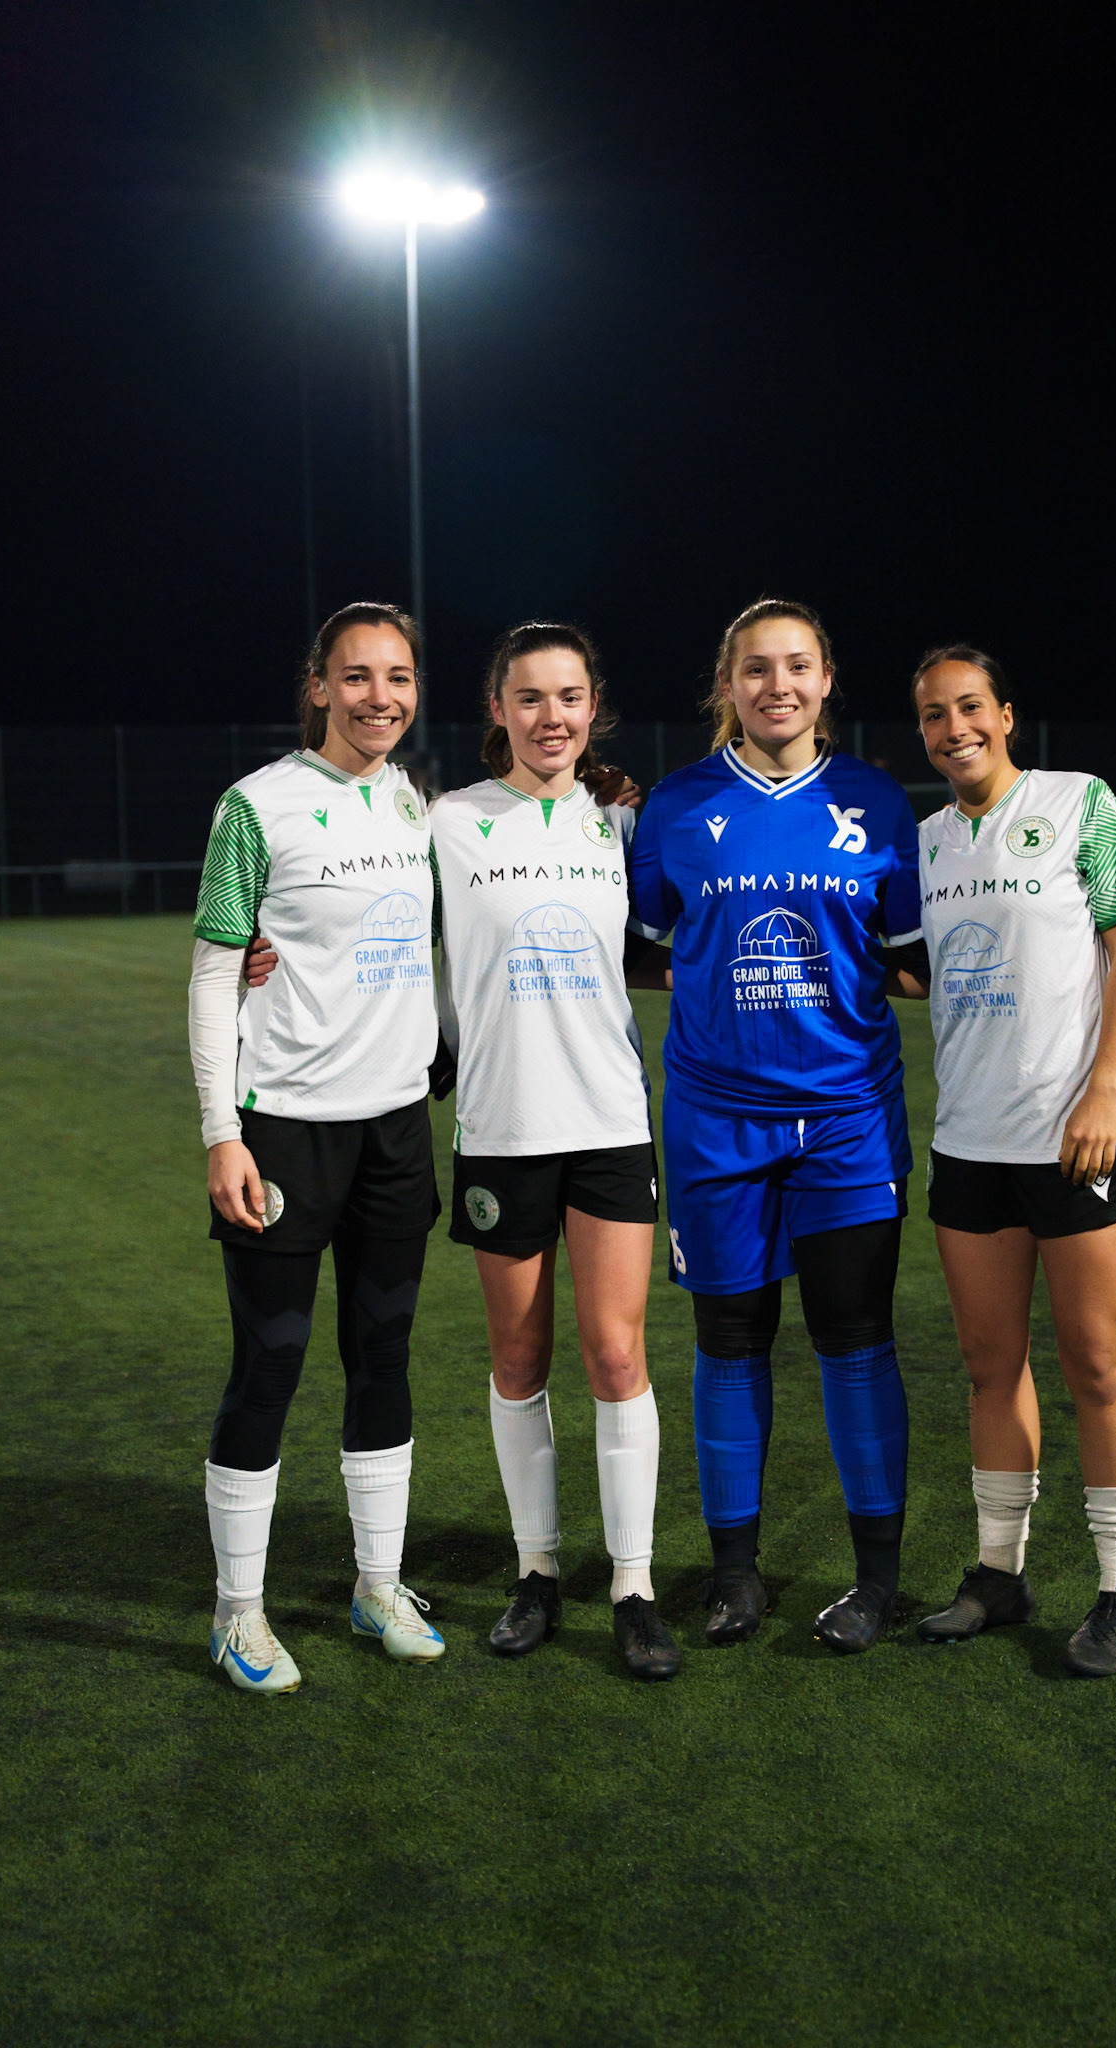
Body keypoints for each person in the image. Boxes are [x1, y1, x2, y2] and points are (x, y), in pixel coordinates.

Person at [626, 599, 922, 1654]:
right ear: (728, 686)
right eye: (757, 669)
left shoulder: (879, 805)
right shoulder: (676, 806)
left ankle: (876, 1581)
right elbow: (643, 944)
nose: (778, 685)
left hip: (846, 1119)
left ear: (828, 679)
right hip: (716, 1123)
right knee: (729, 1343)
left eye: (797, 666)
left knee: (853, 1342)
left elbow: (917, 959)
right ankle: (736, 1577)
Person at [189, 601, 446, 1695]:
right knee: (271, 1365)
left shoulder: (413, 802)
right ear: (318, 685)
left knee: (382, 1359)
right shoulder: (256, 807)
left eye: (396, 676)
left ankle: (375, 1582)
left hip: (396, 1127)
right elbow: (213, 970)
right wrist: (221, 1132)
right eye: (356, 675)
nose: (378, 695)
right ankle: (237, 1612)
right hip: (285, 1128)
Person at [430, 621, 680, 1681]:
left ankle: (633, 1581)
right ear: (497, 709)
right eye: (529, 697)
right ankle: (536, 1569)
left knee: (617, 1354)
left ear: (594, 707)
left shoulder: (622, 823)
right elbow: (365, 928)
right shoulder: (443, 822)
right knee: (520, 1357)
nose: (550, 716)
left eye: (569, 696)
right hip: (501, 1126)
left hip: (612, 1122)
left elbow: (678, 946)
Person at [901, 645, 1116, 1678]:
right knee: (988, 1364)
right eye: (931, 714)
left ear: (1006, 712)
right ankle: (998, 1573)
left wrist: (1104, 1084)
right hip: (969, 1139)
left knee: (1095, 1362)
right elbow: (918, 972)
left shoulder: (1078, 800)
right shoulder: (924, 841)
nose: (953, 726)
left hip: (1077, 1134)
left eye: (969, 706)